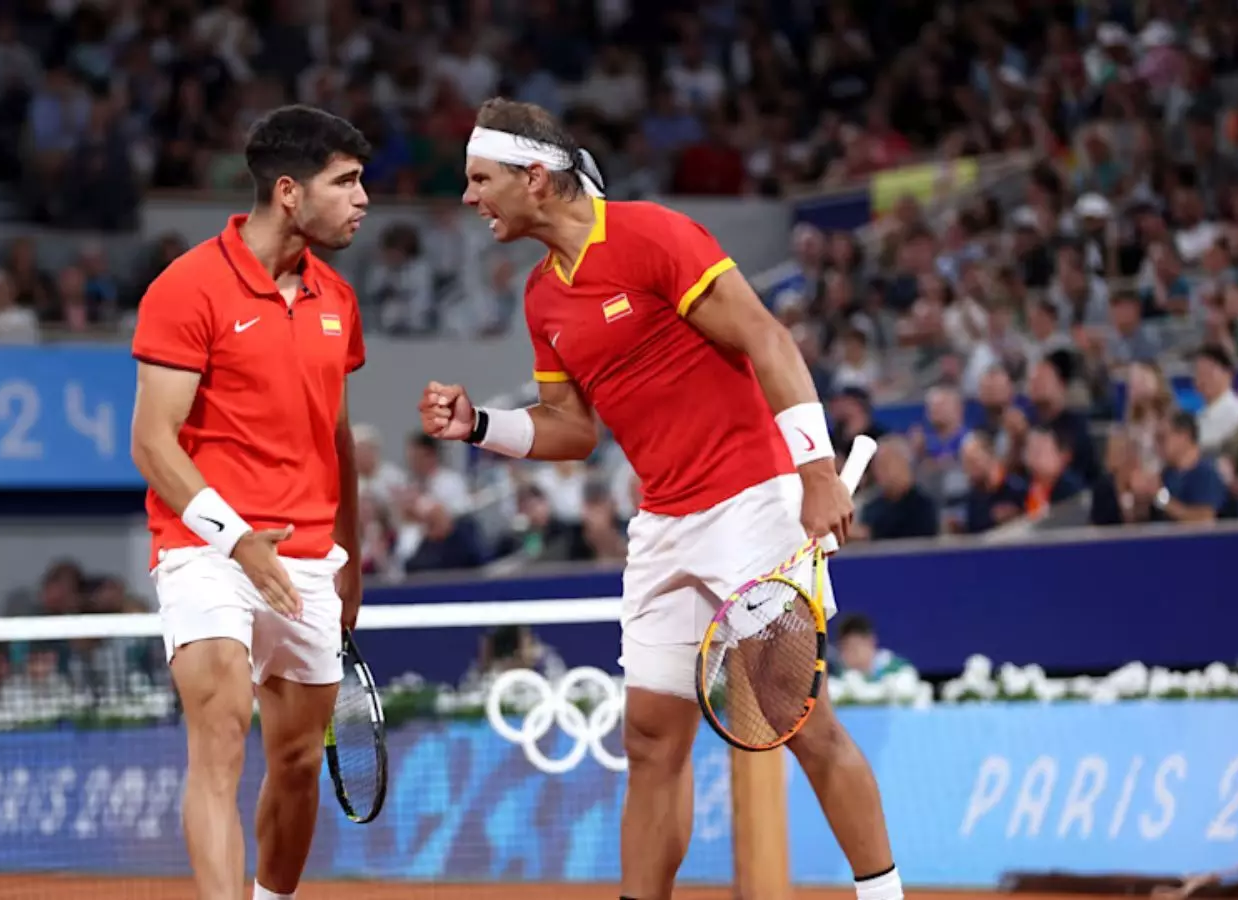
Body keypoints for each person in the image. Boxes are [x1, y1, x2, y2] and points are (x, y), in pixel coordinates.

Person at [418, 97, 902, 900]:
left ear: (535, 179)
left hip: (752, 503)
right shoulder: (542, 297)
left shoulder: (652, 234)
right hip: (665, 524)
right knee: (649, 740)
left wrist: (816, 471)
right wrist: (480, 426)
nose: (469, 198)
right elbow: (570, 431)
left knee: (800, 723)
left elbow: (766, 337)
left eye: (480, 179)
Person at [128, 105, 370, 900]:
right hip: (207, 551)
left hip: (306, 562)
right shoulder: (187, 286)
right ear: (291, 193)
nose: (363, 199)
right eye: (347, 182)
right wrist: (236, 540)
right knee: (221, 733)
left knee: (296, 762)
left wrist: (351, 569)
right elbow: (152, 444)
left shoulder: (339, 298)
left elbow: (334, 444)